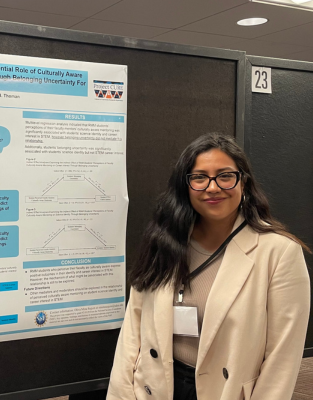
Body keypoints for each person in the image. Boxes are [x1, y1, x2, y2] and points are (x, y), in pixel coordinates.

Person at [107, 133, 310, 400]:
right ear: (186, 186)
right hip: (156, 386)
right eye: (199, 177)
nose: (212, 187)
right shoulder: (163, 242)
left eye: (225, 176)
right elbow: (133, 327)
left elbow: (282, 356)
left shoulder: (279, 252)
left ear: (244, 183)